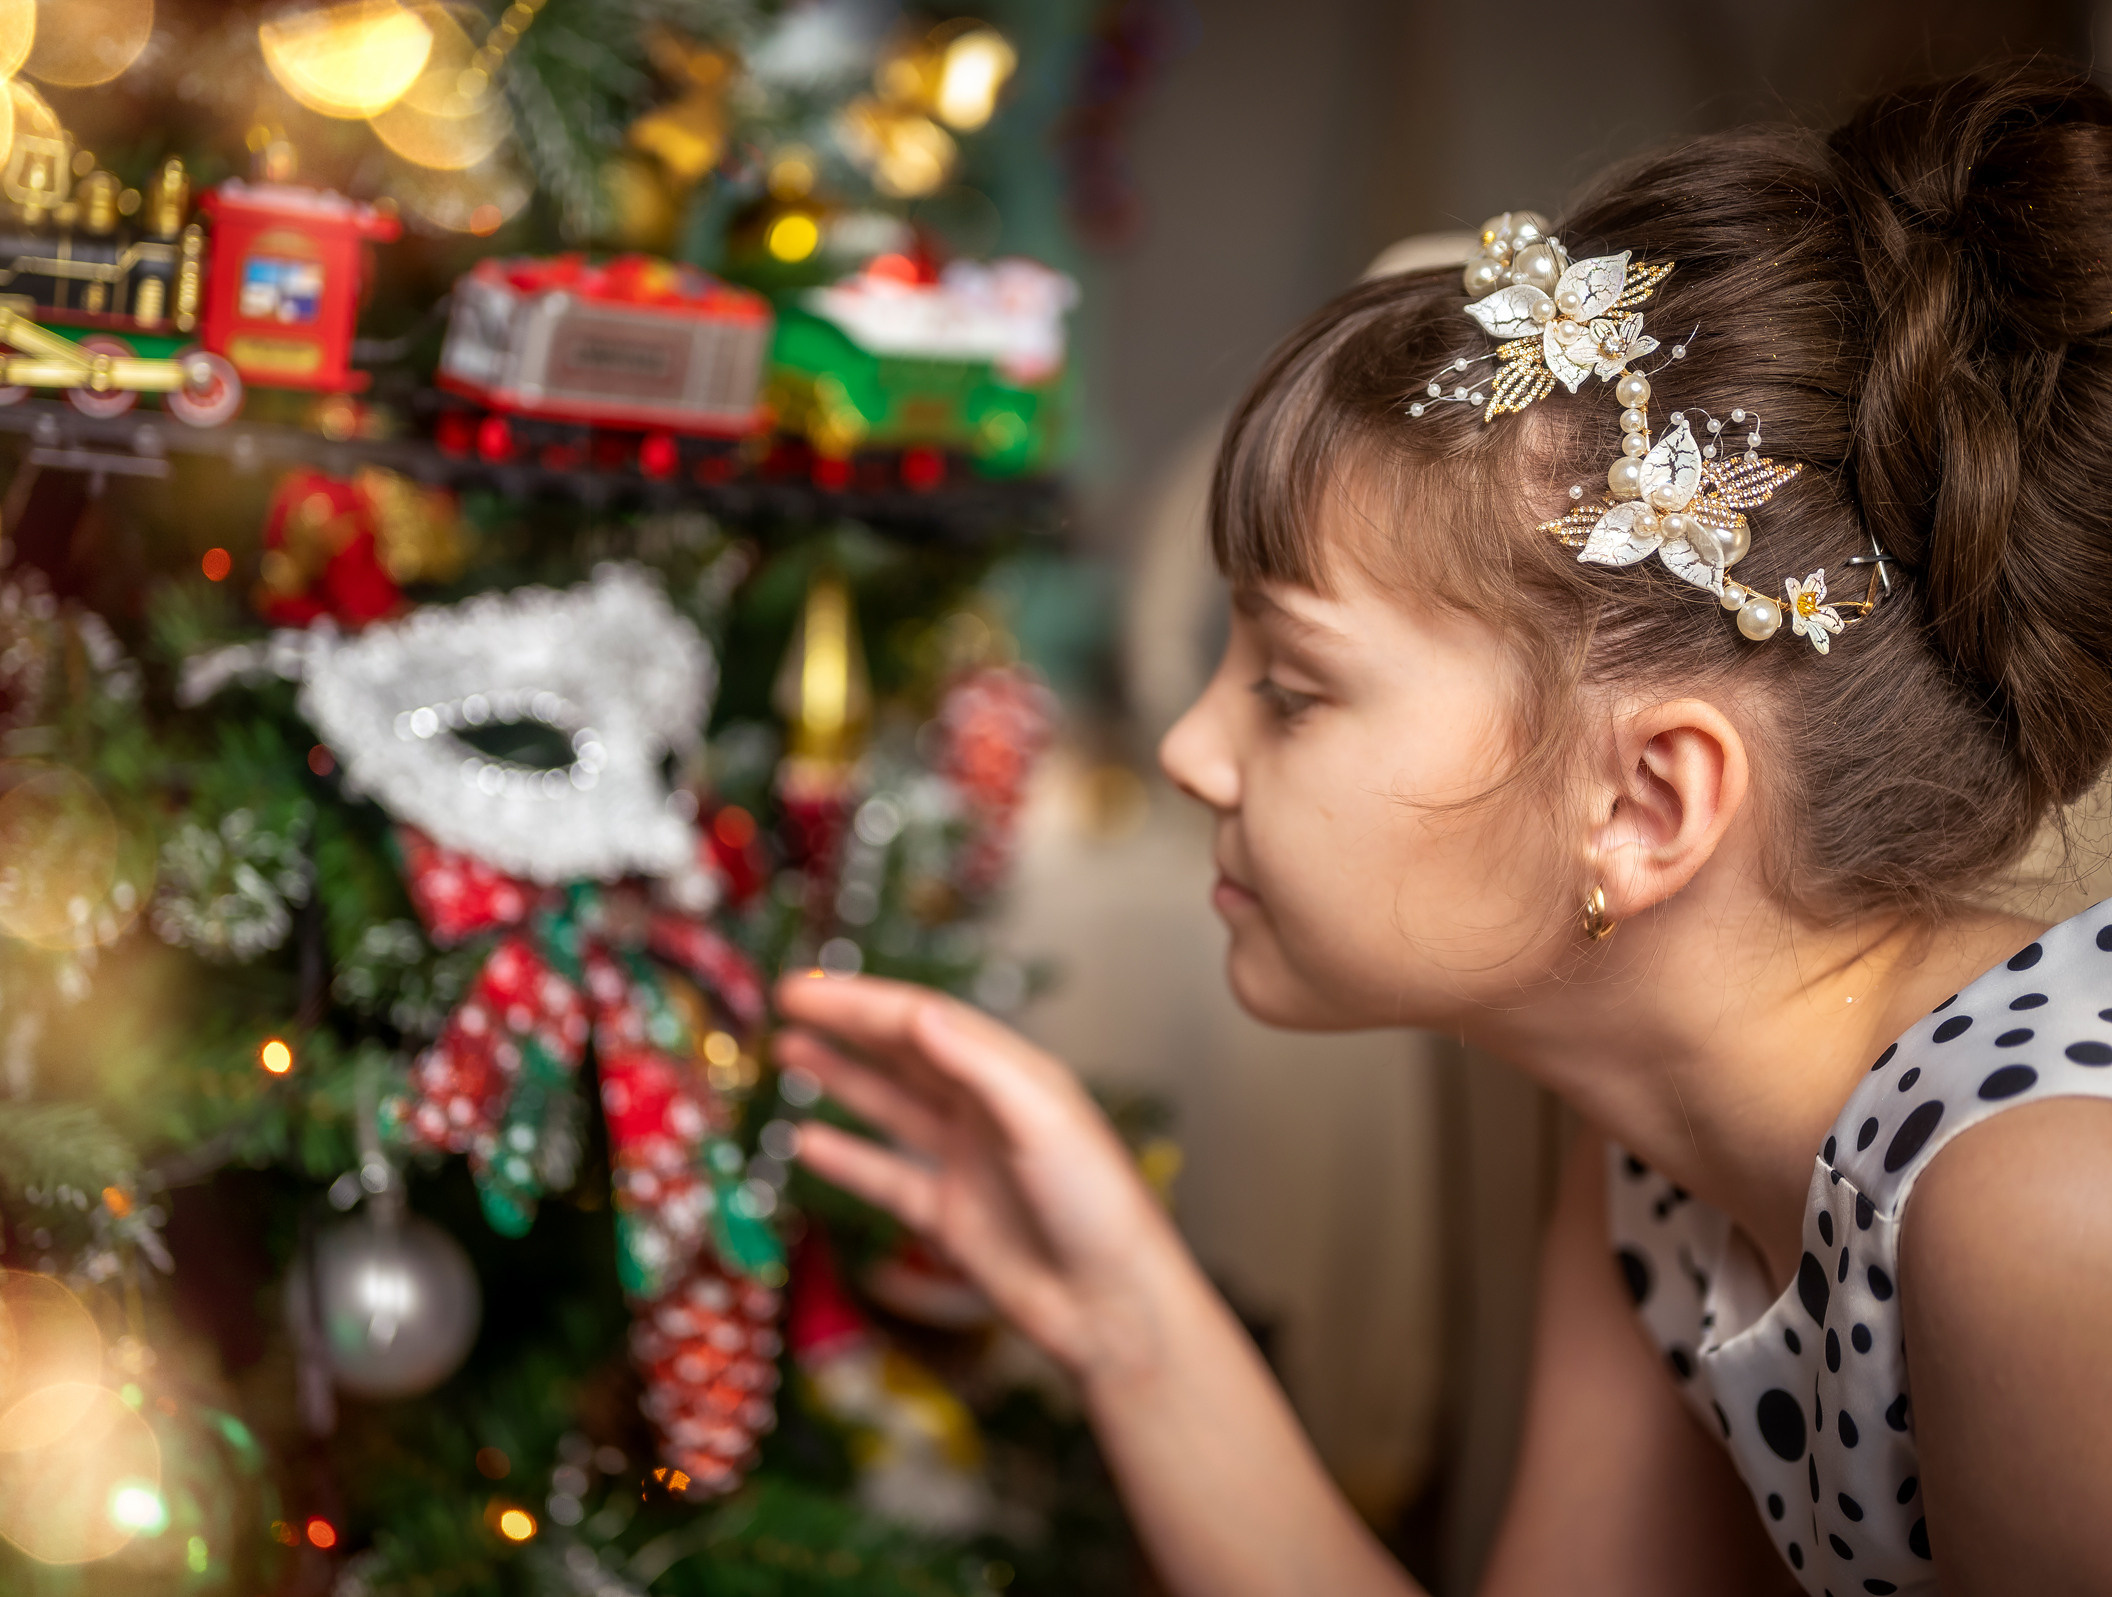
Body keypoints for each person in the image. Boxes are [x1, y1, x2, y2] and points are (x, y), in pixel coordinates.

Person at [772, 64, 2112, 1597]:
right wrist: (1119, 1306)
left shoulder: (2045, 1213)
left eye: (1290, 684)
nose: (1189, 748)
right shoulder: (1661, 1158)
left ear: (1647, 803)